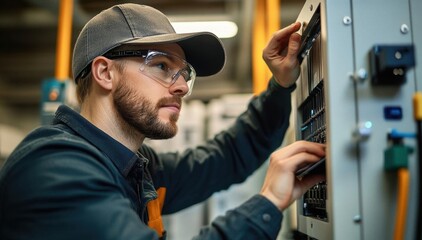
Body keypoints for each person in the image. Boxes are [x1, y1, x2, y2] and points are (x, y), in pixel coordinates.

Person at [0, 3, 325, 240]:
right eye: (160, 66)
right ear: (104, 72)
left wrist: (281, 85)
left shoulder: (135, 168)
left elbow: (226, 158)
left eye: (184, 73)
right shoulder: (57, 170)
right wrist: (267, 203)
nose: (182, 86)